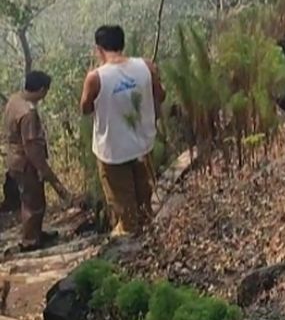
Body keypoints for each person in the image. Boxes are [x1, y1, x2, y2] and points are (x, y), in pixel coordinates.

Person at [80, 25, 164, 236]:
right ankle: (149, 240)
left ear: (98, 49)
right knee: (144, 200)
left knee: (125, 210)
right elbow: (160, 95)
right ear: (122, 44)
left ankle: (131, 250)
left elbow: (85, 108)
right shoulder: (146, 66)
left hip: (113, 152)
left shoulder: (95, 77)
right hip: (143, 145)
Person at [3, 70, 73, 251]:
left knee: (33, 198)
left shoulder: (14, 100)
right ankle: (30, 241)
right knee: (32, 202)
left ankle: (35, 232)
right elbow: (32, 148)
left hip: (14, 159)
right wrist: (43, 169)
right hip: (25, 163)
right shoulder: (28, 113)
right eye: (46, 91)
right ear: (41, 89)